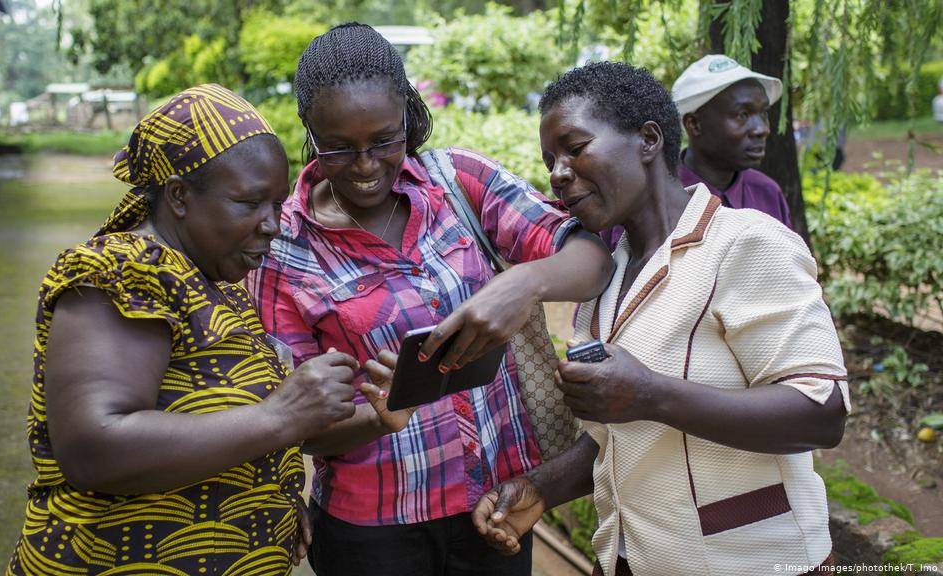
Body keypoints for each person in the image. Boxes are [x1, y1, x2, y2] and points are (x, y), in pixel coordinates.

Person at [246, 23, 611, 576]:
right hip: (372, 534)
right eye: (339, 147)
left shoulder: (457, 182)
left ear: (407, 114)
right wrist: (378, 418)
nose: (366, 165)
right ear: (309, 130)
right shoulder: (286, 250)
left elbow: (592, 260)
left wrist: (522, 284)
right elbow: (295, 424)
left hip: (495, 505)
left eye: (385, 140)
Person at [5, 84, 399, 576]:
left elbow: (218, 428)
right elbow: (94, 448)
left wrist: (269, 493)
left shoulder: (215, 284)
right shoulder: (125, 272)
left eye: (277, 204)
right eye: (249, 202)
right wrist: (280, 415)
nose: (272, 225)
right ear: (179, 196)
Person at [473, 62, 849, 576]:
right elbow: (623, 435)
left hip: (751, 560)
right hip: (631, 559)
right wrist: (541, 488)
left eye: (575, 148)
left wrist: (651, 394)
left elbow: (822, 413)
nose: (558, 173)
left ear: (649, 140)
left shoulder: (745, 243)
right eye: (550, 161)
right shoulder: (609, 275)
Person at [602, 54, 793, 248]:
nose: (762, 129)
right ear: (694, 124)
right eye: (742, 115)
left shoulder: (767, 193)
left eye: (764, 113)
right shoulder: (645, 196)